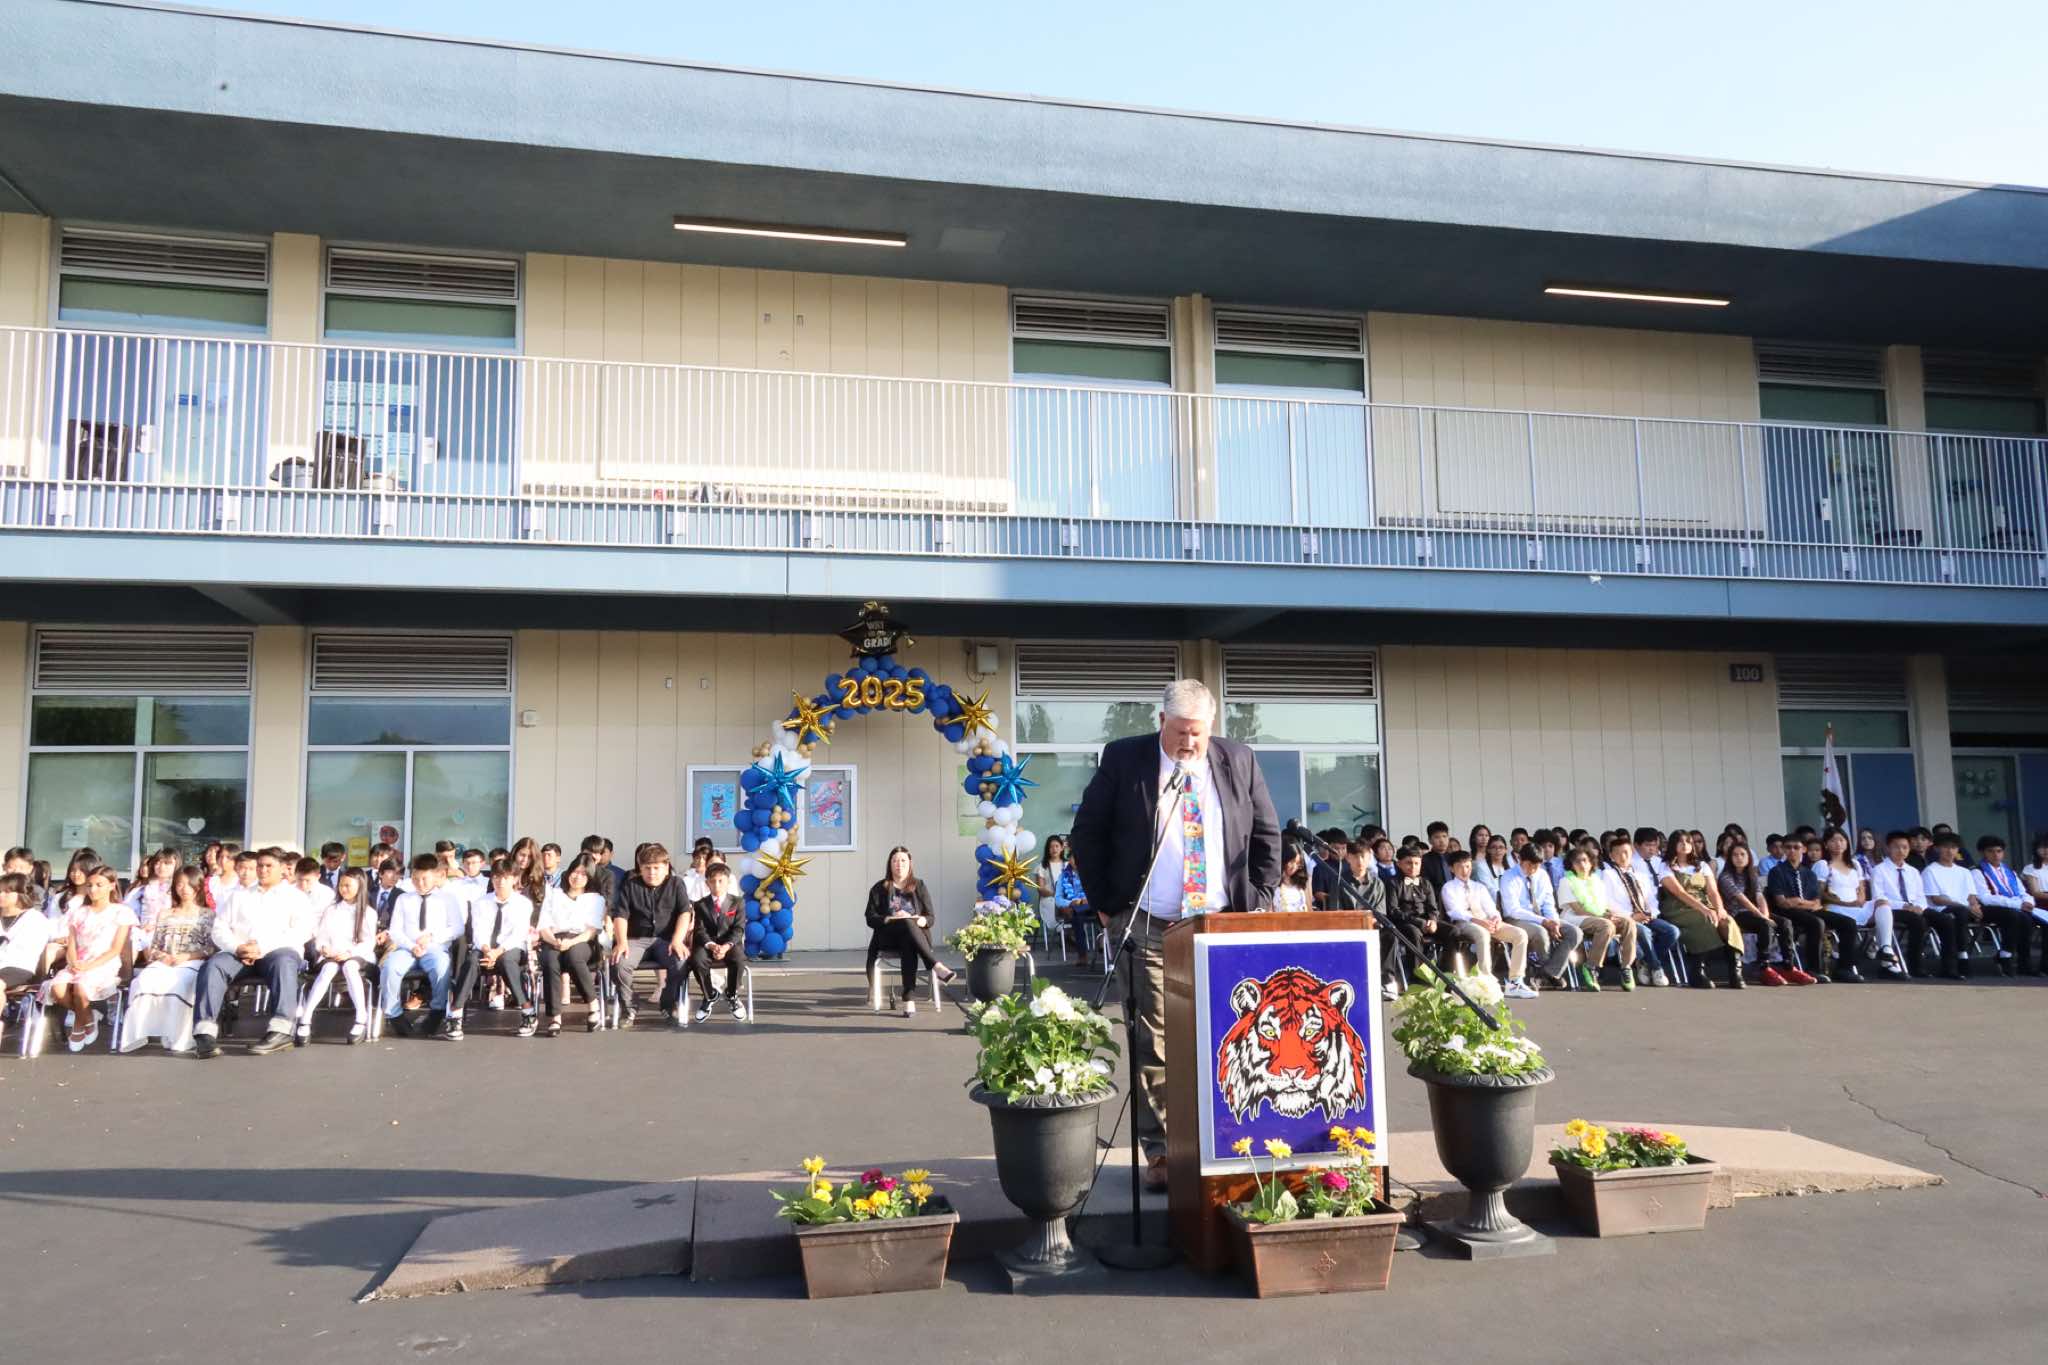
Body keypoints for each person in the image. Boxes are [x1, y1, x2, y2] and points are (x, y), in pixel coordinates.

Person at [1069, 677, 1281, 1192]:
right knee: (1154, 1041)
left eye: (1198, 733)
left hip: (1222, 923)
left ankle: (1231, 1138)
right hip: (1149, 923)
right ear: (1161, 721)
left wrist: (1260, 899)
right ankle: (1162, 1149)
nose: (1189, 742)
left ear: (1212, 726)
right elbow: (1087, 833)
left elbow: (1266, 833)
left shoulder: (1238, 760)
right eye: (1180, 731)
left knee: (1232, 1032)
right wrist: (1107, 905)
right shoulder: (1125, 759)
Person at [191, 848, 311, 1058]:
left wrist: (261, 948)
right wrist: (238, 947)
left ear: (283, 869)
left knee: (284, 961)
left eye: (268, 866)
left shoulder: (296, 897)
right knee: (214, 965)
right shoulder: (239, 895)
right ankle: (205, 1034)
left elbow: (302, 932)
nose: (263, 870)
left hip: (276, 953)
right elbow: (219, 928)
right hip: (240, 953)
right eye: (260, 866)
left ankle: (281, 1031)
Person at [40, 863, 135, 1051]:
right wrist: (74, 961)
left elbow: (116, 949)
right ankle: (88, 1016)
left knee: (80, 988)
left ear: (111, 885)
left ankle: (78, 1024)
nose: (93, 890)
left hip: (104, 963)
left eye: (99, 885)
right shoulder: (79, 912)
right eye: (90, 885)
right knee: (58, 990)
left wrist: (89, 966)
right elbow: (72, 944)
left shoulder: (122, 912)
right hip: (78, 962)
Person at [120, 867, 215, 1053]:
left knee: (180, 985)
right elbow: (155, 946)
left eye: (189, 884)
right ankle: (138, 1034)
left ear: (198, 886)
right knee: (144, 981)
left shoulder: (208, 914)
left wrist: (186, 957)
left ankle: (177, 1037)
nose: (184, 889)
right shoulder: (165, 913)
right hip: (164, 961)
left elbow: (211, 947)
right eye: (180, 884)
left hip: (192, 961)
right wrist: (163, 956)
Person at [447, 858, 537, 1040]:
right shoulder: (481, 902)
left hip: (511, 948)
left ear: (514, 879)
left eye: (506, 877)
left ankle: (528, 1011)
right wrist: (487, 949)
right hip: (486, 947)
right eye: (496, 877)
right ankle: (455, 1014)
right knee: (471, 961)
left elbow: (518, 934)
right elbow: (478, 931)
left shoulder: (523, 904)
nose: (500, 882)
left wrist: (498, 952)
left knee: (507, 961)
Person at [863, 846, 956, 1017]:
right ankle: (935, 965)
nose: (899, 864)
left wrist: (920, 920)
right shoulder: (879, 888)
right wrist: (889, 918)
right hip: (888, 937)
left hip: (913, 938)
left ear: (910, 864)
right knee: (906, 924)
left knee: (908, 938)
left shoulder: (919, 886)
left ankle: (909, 1000)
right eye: (895, 861)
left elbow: (930, 918)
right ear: (890, 864)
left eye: (903, 860)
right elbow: (870, 917)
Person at [608, 842, 690, 1028]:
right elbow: (621, 916)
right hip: (636, 940)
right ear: (640, 868)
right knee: (619, 964)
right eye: (647, 868)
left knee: (681, 962)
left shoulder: (676, 884)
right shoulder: (630, 885)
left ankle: (668, 1005)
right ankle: (629, 1008)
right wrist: (621, 942)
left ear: (666, 867)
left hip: (666, 940)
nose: (651, 872)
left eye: (656, 868)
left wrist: (678, 940)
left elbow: (685, 913)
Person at [379, 853, 462, 1037]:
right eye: (415, 878)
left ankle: (437, 1011)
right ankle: (394, 1013)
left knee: (441, 967)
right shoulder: (404, 899)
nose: (420, 883)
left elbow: (457, 928)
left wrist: (432, 937)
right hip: (407, 949)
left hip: (435, 948)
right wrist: (411, 946)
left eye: (424, 878)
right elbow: (395, 931)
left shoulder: (447, 899)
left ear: (435, 876)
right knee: (390, 967)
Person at [1440, 849, 1537, 999]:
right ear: (1452, 869)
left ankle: (1515, 982)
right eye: (1460, 867)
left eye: (1467, 866)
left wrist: (1496, 918)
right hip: (1464, 923)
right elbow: (1455, 912)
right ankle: (1485, 980)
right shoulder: (1448, 887)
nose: (1465, 870)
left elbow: (1491, 908)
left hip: (1486, 921)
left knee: (1520, 934)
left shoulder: (1479, 887)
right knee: (1482, 934)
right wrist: (1479, 921)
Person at [1656, 831, 1745, 989]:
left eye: (1688, 842)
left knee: (1728, 922)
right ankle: (1697, 971)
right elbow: (1679, 893)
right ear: (1673, 845)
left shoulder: (1702, 865)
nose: (1685, 845)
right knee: (1705, 920)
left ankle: (1735, 972)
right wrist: (1704, 909)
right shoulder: (1665, 866)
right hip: (1678, 907)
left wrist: (1719, 909)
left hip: (1705, 904)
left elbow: (1712, 891)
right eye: (1681, 842)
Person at [536, 855, 608, 1035]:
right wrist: (554, 941)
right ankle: (555, 1017)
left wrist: (571, 942)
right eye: (575, 872)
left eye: (584, 874)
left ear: (589, 878)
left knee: (574, 956)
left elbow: (592, 931)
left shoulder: (595, 899)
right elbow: (543, 925)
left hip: (582, 940)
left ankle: (593, 1005)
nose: (577, 877)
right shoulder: (554, 894)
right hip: (554, 939)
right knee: (550, 960)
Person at [1502, 843, 1589, 989]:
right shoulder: (1508, 876)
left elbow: (1548, 903)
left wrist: (1554, 922)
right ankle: (1548, 974)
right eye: (1529, 865)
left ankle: (1547, 973)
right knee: (1540, 932)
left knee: (1575, 932)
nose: (1533, 869)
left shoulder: (1542, 875)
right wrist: (1543, 921)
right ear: (1520, 860)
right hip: (1518, 919)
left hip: (1543, 917)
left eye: (1536, 866)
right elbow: (1513, 910)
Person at [1718, 843, 1804, 985]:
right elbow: (1743, 900)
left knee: (1785, 923)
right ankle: (1763, 967)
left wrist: (1765, 914)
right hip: (1737, 914)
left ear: (1749, 857)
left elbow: (1759, 896)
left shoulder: (1752, 875)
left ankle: (1788, 966)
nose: (1739, 858)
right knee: (1765, 924)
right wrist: (1762, 917)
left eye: (1742, 854)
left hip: (1755, 913)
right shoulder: (1725, 877)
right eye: (1735, 855)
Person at [1554, 845, 1638, 991]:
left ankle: (1626, 967)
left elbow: (1604, 905)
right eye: (1577, 861)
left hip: (1600, 916)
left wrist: (1611, 914)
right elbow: (1578, 909)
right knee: (1606, 925)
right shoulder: (1566, 882)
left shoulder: (1597, 881)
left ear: (1591, 863)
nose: (1582, 864)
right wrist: (1605, 916)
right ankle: (1591, 966)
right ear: (1571, 865)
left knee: (1628, 923)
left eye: (1585, 860)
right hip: (1575, 918)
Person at [1818, 828, 1895, 980]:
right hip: (1836, 908)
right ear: (1826, 844)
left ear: (1847, 843)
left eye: (1841, 840)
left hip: (1856, 906)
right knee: (1849, 922)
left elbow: (1861, 888)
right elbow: (1819, 893)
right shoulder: (1823, 864)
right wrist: (1843, 902)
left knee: (1883, 902)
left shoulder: (1854, 864)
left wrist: (1860, 900)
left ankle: (1885, 948)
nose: (1838, 844)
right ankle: (1847, 966)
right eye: (1833, 840)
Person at [1600, 836, 1677, 986]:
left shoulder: (1640, 875)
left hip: (1645, 915)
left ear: (1632, 853)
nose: (1623, 857)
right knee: (1644, 931)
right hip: (1625, 918)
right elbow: (1608, 902)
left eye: (1626, 853)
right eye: (1618, 853)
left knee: (1672, 931)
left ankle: (1645, 962)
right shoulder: (1608, 874)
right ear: (1611, 856)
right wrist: (1632, 916)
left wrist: (1650, 913)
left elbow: (1651, 899)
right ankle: (1656, 967)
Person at [681, 861, 749, 1022]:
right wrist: (712, 946)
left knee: (739, 959)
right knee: (697, 960)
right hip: (708, 944)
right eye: (712, 881)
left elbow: (738, 929)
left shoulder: (738, 902)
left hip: (729, 943)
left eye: (720, 881)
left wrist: (725, 947)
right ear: (707, 883)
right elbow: (699, 930)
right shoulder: (700, 904)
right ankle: (710, 995)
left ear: (728, 882)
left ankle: (732, 994)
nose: (717, 885)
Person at [1868, 831, 1941, 980]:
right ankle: (1915, 966)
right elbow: (1879, 897)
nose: (1901, 851)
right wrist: (1905, 906)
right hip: (1892, 910)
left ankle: (1952, 965)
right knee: (1918, 921)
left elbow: (1920, 895)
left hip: (1915, 908)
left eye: (1905, 847)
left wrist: (1919, 907)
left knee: (1945, 920)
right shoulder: (1879, 870)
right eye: (1896, 847)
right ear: (1888, 848)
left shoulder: (1913, 871)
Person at [1971, 836, 2035, 977]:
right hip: (1987, 908)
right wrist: (2018, 904)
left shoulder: (2010, 872)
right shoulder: (1977, 871)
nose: (1996, 855)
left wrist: (2029, 902)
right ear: (1982, 853)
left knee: (2027, 917)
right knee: (2013, 916)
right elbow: (1985, 898)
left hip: (2014, 906)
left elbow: (2023, 892)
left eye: (1999, 851)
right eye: (1990, 851)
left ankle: (2024, 962)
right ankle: (2005, 956)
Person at [1382, 847, 1443, 995]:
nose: (1413, 867)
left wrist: (1433, 920)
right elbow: (1393, 910)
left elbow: (1433, 907)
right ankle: (1418, 980)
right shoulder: (1392, 883)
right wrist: (1419, 922)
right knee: (1414, 933)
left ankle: (1447, 975)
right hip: (1404, 923)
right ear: (1399, 864)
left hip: (1427, 922)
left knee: (1453, 932)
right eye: (1408, 863)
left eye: (1417, 863)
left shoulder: (1426, 883)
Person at [0, 871, 55, 1003]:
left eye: (7, 892)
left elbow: (25, 951)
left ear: (21, 893)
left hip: (18, 967)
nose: (1, 895)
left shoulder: (35, 919)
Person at [1274, 843, 1312, 913]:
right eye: (1292, 862)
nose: (1294, 867)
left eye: (1298, 864)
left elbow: (1309, 910)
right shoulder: (1274, 883)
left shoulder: (1301, 882)